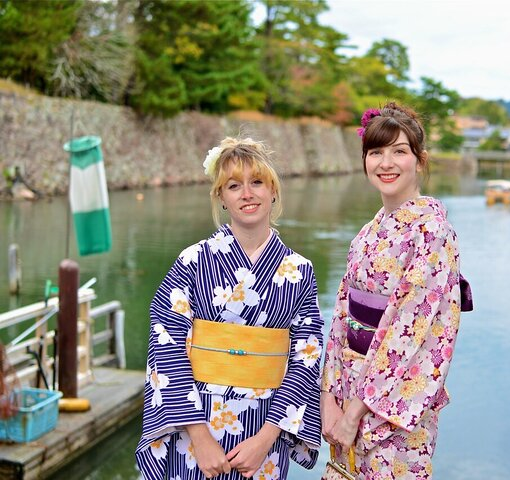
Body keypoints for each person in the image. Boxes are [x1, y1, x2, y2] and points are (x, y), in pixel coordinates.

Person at [135, 137, 323, 480]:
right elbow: (166, 345)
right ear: (221, 197)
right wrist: (200, 437)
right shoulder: (192, 261)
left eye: (257, 183)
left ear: (273, 191)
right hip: (195, 423)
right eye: (234, 186)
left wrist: (267, 438)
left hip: (266, 428)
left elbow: (306, 357)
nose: (246, 194)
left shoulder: (299, 270)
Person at [321, 102, 466, 479]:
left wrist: (355, 411)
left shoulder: (432, 233)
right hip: (349, 394)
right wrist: (329, 399)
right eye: (376, 153)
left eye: (399, 151)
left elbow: (411, 331)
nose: (386, 163)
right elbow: (341, 316)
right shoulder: (369, 232)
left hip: (394, 405)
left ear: (419, 160)